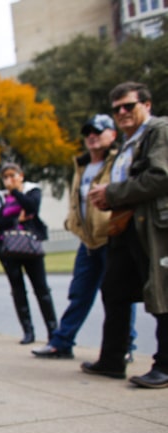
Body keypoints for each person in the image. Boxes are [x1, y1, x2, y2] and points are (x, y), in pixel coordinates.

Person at [32, 115, 137, 360]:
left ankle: (125, 347)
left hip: (112, 238)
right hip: (88, 242)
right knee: (79, 293)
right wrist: (72, 222)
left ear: (112, 134)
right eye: (88, 132)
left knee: (118, 296)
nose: (91, 136)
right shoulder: (82, 165)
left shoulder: (119, 161)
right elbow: (75, 199)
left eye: (98, 131)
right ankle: (62, 342)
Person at [86, 81, 168, 389]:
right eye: (116, 108)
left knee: (163, 291)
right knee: (114, 289)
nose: (122, 112)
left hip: (155, 226)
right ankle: (112, 358)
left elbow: (161, 177)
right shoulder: (128, 143)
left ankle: (165, 364)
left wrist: (113, 192)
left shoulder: (158, 131)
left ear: (146, 105)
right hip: (127, 226)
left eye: (128, 105)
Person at [0, 163, 58, 345]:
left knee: (41, 289)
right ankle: (28, 331)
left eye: (12, 175)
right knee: (18, 291)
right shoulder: (1, 198)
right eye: (5, 177)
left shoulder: (31, 190)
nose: (8, 180)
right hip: (8, 248)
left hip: (30, 247)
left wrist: (16, 192)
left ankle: (53, 331)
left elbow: (32, 208)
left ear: (21, 175)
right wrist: (15, 219)